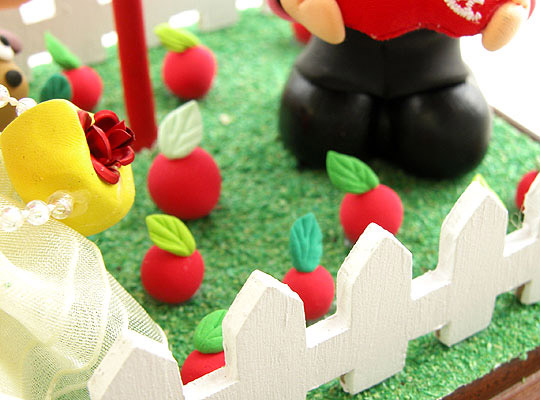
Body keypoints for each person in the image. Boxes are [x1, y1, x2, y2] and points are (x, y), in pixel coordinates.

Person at [269, 0, 534, 178]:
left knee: (456, 133)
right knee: (316, 126)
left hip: (434, 74)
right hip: (335, 69)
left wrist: (517, 6)